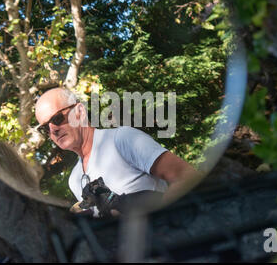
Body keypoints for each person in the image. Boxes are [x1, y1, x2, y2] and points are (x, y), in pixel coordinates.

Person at [35, 87, 204, 216]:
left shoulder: (121, 139)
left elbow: (188, 177)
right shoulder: (74, 179)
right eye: (45, 128)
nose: (53, 130)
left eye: (57, 119)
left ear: (79, 112)